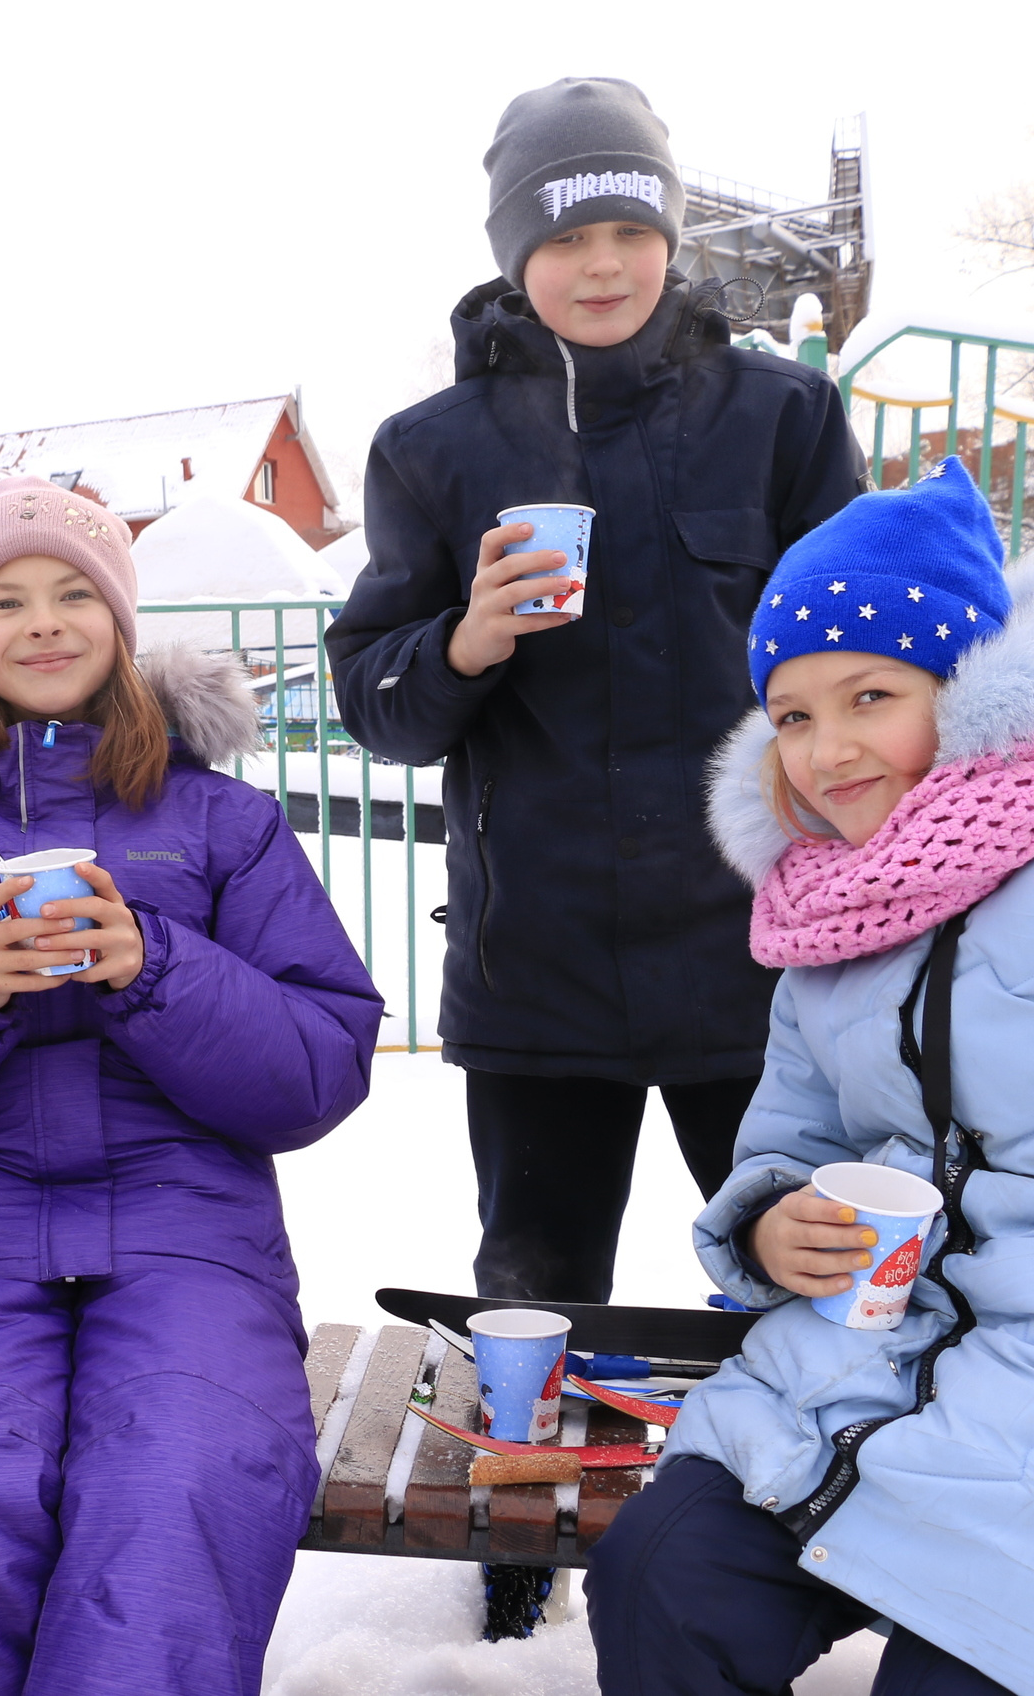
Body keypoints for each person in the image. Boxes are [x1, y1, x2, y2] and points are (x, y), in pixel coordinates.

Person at [0, 476, 384, 1696]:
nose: (43, 621)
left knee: (180, 1473)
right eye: (3, 600)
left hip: (192, 1246)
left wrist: (153, 965)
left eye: (75, 592)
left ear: (122, 624)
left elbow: (319, 1067)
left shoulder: (225, 824)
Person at [586, 460, 1034, 1696]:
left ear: (972, 692)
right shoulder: (826, 924)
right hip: (858, 1366)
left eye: (870, 696)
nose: (828, 749)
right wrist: (773, 1220)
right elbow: (784, 1140)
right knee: (660, 1581)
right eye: (792, 715)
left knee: (976, 1666)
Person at [326, 77, 865, 1303]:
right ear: (517, 256)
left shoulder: (783, 417)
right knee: (537, 1299)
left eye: (629, 229)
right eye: (565, 236)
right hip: (538, 970)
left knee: (809, 1284)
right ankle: (538, 1471)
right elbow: (373, 700)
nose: (603, 265)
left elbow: (874, 670)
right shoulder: (432, 448)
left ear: (671, 237)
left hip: (763, 955)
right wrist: (463, 641)